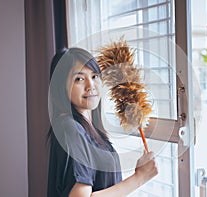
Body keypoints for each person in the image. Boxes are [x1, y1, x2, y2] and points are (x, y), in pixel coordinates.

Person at [47, 47, 158, 197]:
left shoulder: (89, 129)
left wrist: (139, 173)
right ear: (60, 86)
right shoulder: (70, 128)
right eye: (79, 79)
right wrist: (139, 178)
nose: (90, 85)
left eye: (94, 76)